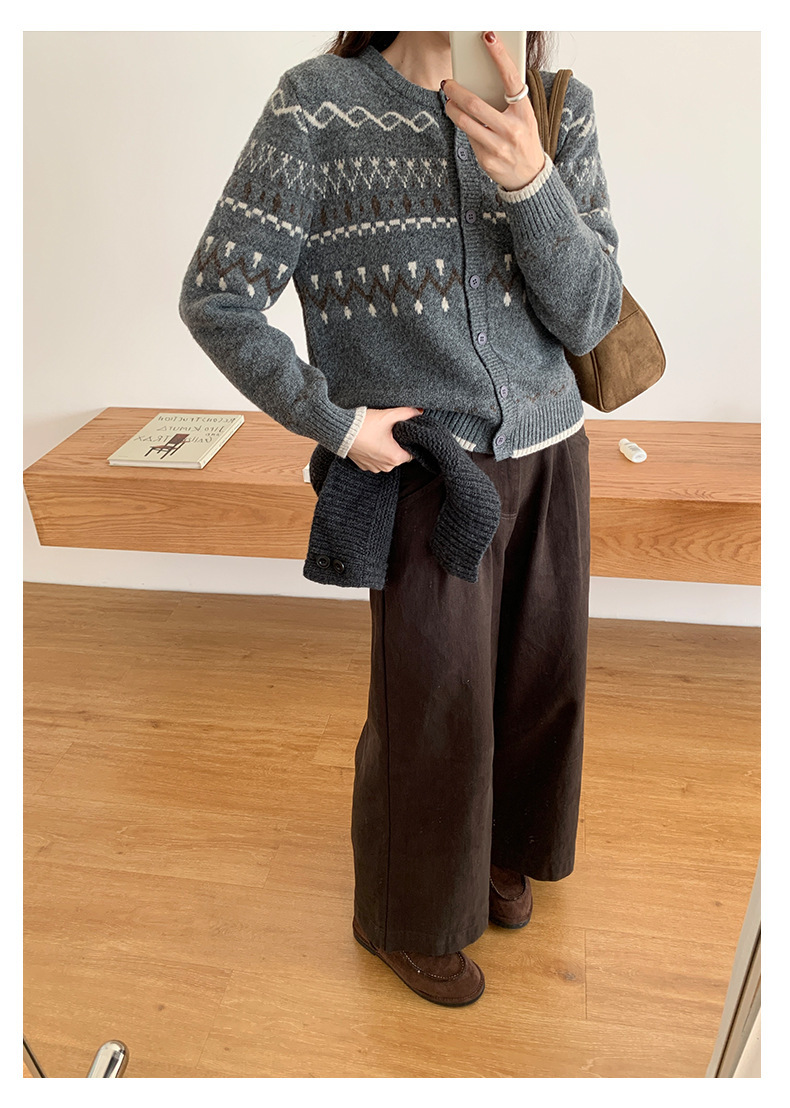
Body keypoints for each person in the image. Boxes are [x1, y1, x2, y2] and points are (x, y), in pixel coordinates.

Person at [179, 30, 623, 1008]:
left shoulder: (559, 107)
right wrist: (338, 425)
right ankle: (406, 915)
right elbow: (217, 296)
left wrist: (533, 182)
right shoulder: (316, 106)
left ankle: (500, 848)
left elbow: (594, 317)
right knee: (433, 701)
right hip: (428, 466)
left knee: (540, 681)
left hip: (552, 452)